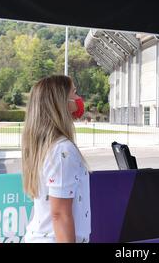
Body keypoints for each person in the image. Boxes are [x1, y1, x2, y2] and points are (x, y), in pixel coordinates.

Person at [22, 75, 90, 243]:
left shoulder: (47, 146)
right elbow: (60, 214)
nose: (78, 99)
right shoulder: (62, 150)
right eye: (74, 93)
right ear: (61, 102)